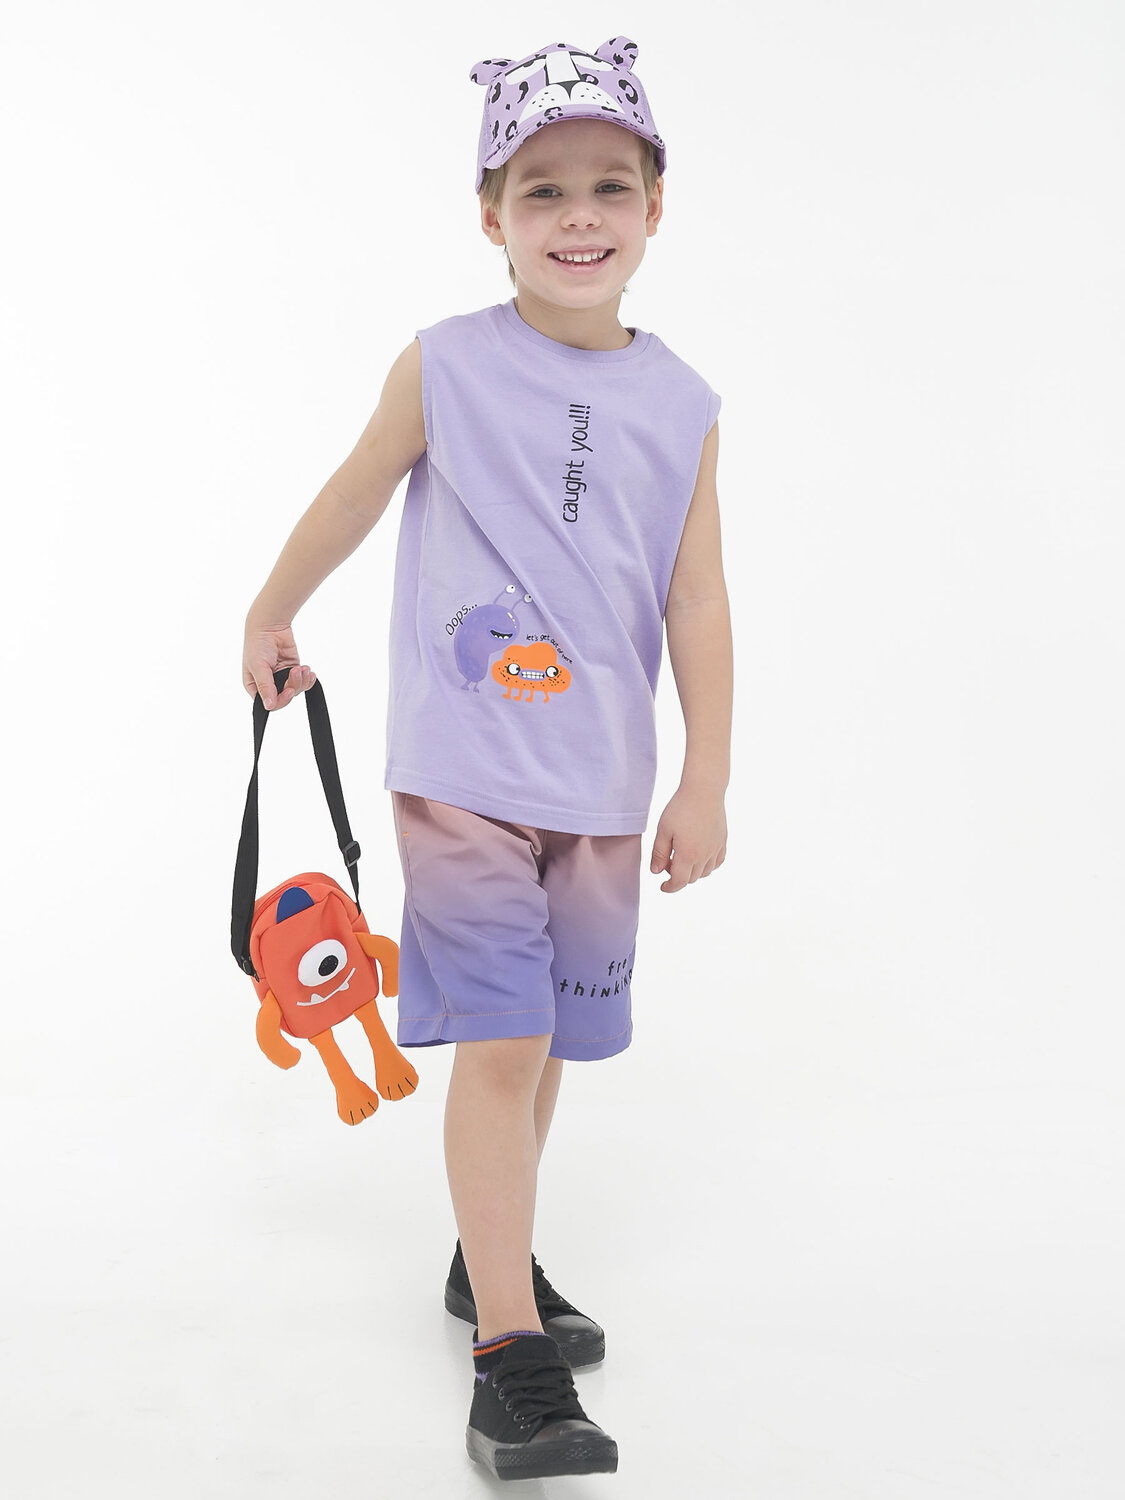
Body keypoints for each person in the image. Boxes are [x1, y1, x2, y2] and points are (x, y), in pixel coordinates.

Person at [241, 36, 732, 1481]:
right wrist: (271, 611)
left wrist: (704, 776)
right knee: (506, 1040)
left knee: (553, 1037)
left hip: (601, 785)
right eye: (541, 191)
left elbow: (697, 599)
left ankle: (485, 1255)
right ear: (490, 215)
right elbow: (356, 488)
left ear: (655, 206)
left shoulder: (685, 403)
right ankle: (510, 1358)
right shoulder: (446, 364)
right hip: (464, 770)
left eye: (608, 187)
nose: (578, 216)